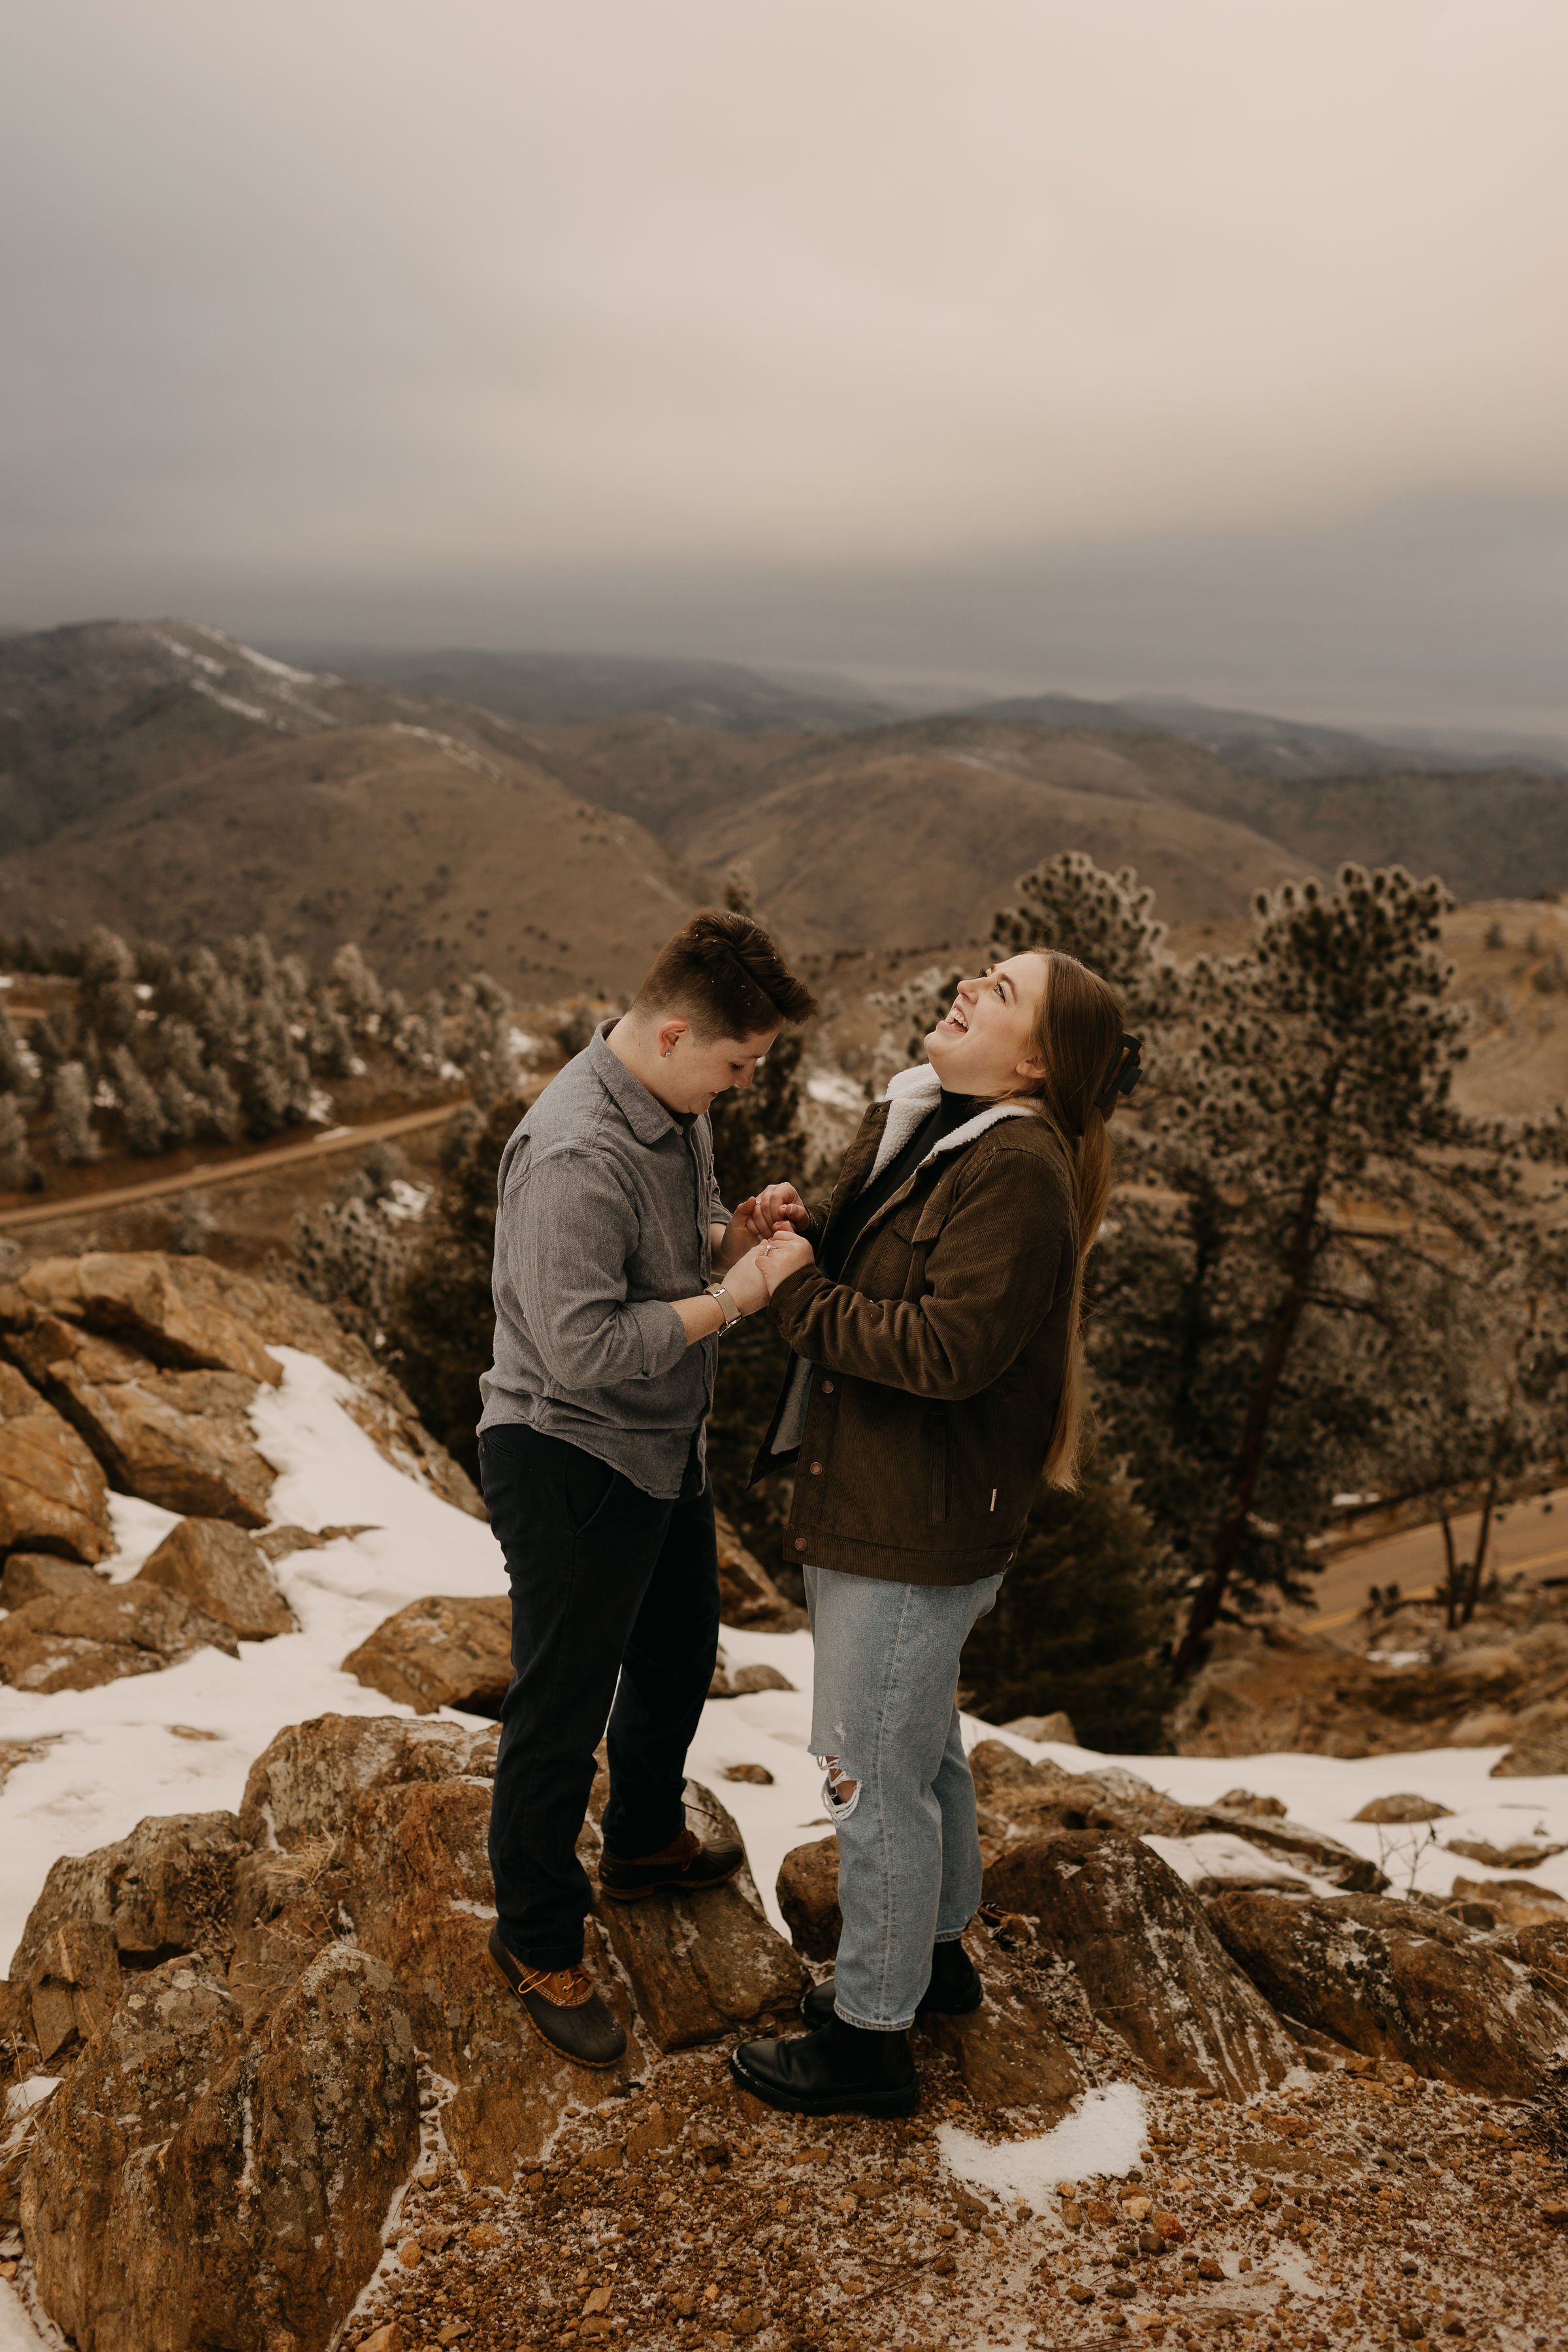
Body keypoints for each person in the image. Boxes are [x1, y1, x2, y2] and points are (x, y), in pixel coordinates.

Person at [728, 947, 1139, 2117]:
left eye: (1000, 993)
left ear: (1036, 1063)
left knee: (871, 1778)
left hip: (911, 1519)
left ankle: (870, 2039)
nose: (967, 987)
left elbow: (946, 1353)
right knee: (923, 1746)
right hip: (889, 1507)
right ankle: (936, 1958)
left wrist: (799, 1294)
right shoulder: (935, 1119)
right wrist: (807, 1221)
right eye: (981, 973)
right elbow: (882, 1255)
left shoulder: (1014, 1164)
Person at [479, 909, 817, 2066]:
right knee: (561, 1702)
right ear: (674, 1033)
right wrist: (742, 1300)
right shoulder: (577, 1151)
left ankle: (640, 1838)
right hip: (569, 1452)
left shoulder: (669, 1108)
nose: (740, 1085)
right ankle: (532, 1935)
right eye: (736, 1064)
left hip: (661, 1446)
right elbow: (585, 1349)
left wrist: (736, 1236)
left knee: (679, 1648)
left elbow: (667, 1257)